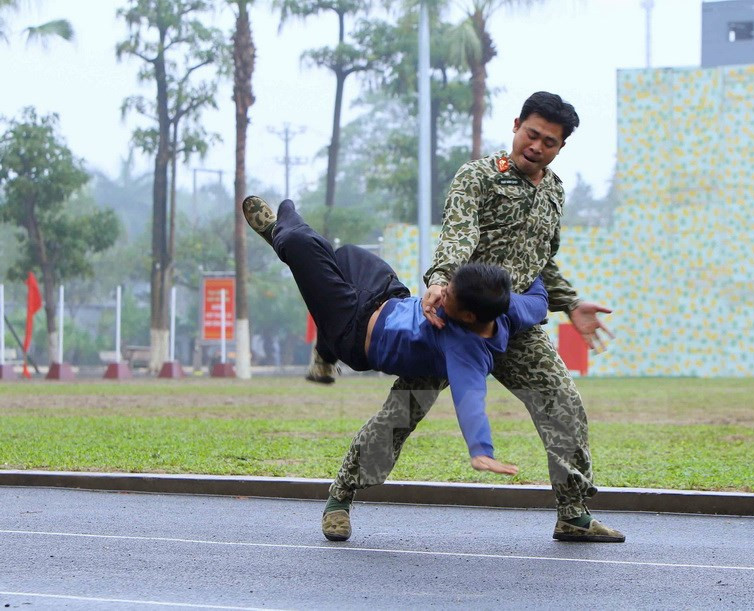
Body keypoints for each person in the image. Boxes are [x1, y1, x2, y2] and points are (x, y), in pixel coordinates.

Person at [324, 91, 625, 543]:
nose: (537, 146)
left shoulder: (555, 191)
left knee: (563, 402)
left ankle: (573, 514)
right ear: (516, 125)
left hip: (516, 325)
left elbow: (540, 260)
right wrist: (441, 282)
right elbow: (458, 236)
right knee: (403, 411)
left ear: (561, 147)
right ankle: (341, 496)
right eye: (532, 134)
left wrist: (569, 301)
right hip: (458, 320)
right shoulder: (480, 177)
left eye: (549, 141)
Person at [242, 194, 549, 484]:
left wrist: (481, 451)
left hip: (351, 330)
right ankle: (323, 352)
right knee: (347, 255)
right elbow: (538, 301)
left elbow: (470, 398)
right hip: (387, 296)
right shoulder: (509, 305)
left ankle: (278, 233)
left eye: (449, 295)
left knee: (301, 244)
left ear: (469, 316)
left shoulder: (465, 349)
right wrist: (531, 266)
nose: (441, 292)